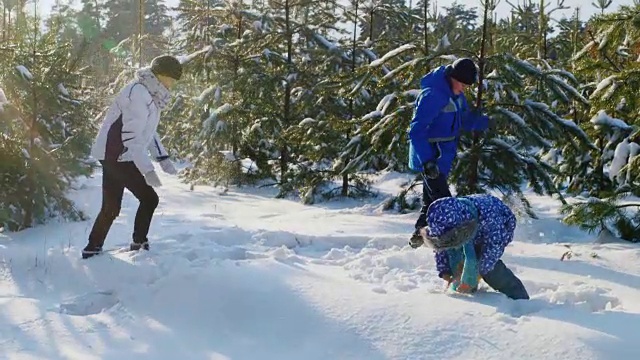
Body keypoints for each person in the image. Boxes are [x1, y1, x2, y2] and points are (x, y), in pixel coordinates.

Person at [81, 55, 183, 259]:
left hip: (117, 154)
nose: (172, 84)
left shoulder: (150, 94)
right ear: (160, 75)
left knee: (111, 207)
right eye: (171, 79)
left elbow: (148, 132)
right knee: (149, 198)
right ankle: (139, 243)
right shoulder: (138, 93)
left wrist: (163, 159)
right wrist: (148, 171)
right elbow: (131, 138)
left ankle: (92, 248)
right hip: (117, 154)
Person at [407, 58, 490, 248]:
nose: (463, 89)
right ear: (452, 77)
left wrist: (485, 121)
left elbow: (464, 121)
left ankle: (419, 235)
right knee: (444, 201)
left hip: (442, 159)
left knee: (432, 200)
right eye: (461, 83)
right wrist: (428, 161)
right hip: (430, 159)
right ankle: (452, 244)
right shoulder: (433, 96)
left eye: (465, 85)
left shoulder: (456, 96)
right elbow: (416, 131)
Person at [418, 194, 530, 300]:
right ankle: (465, 285)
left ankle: (518, 297)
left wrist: (475, 275)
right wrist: (445, 271)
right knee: (456, 258)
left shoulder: (492, 220)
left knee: (489, 267)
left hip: (497, 227)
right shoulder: (446, 220)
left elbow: (493, 250)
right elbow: (441, 247)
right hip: (467, 227)